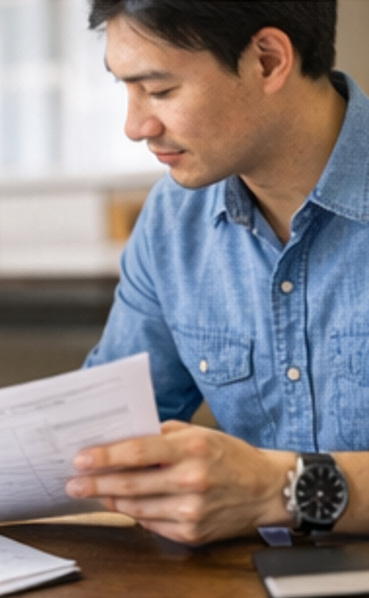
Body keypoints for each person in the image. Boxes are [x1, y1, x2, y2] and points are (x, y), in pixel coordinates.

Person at [65, 0, 369, 545]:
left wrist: (280, 489)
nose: (136, 126)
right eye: (125, 89)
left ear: (268, 61)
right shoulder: (173, 220)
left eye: (159, 90)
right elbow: (104, 436)